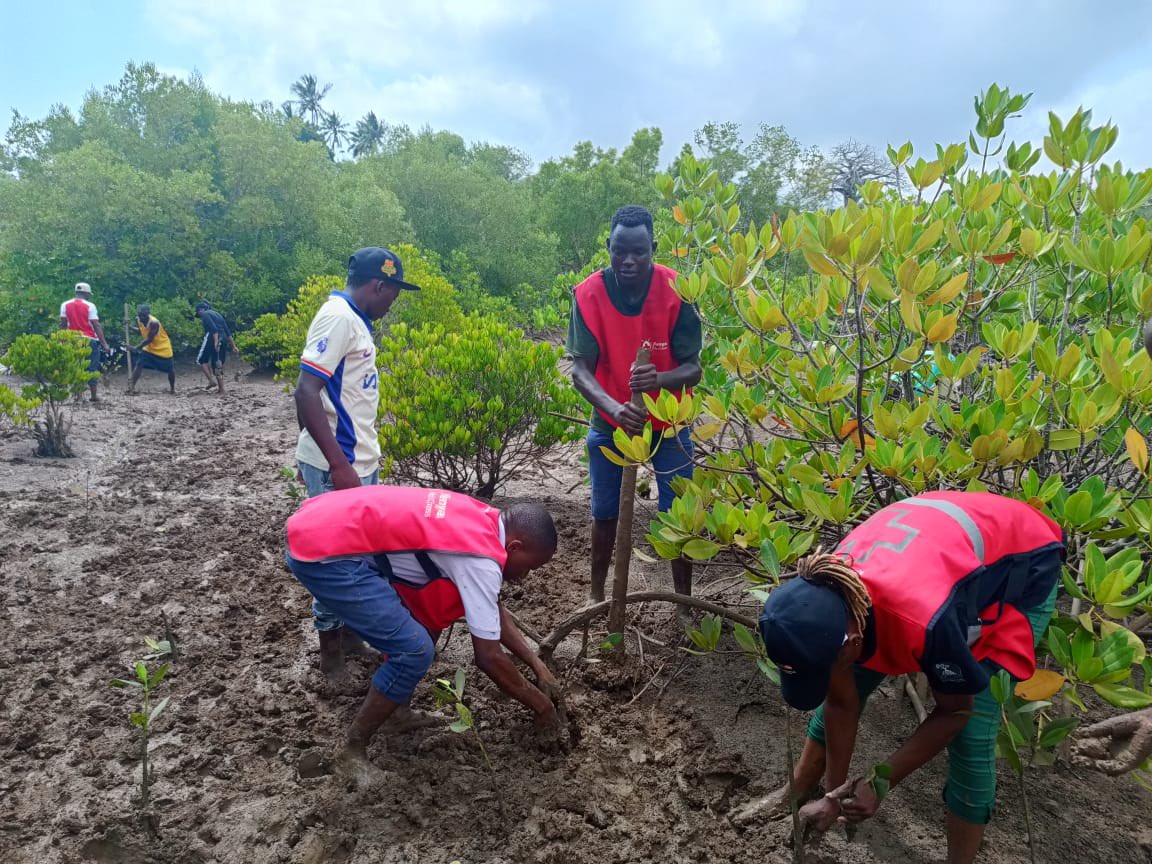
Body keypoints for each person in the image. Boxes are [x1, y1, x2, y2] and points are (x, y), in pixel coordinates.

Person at [741, 491, 1064, 864]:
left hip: (1022, 563)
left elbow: (956, 713)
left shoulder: (928, 623)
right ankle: (799, 786)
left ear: (853, 642)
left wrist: (881, 783)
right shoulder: (830, 591)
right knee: (850, 678)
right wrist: (834, 796)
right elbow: (840, 700)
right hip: (937, 546)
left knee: (975, 732)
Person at [285, 484, 562, 782]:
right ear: (515, 547)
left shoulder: (486, 519)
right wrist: (542, 707)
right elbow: (488, 656)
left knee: (427, 624)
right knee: (414, 651)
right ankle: (350, 752)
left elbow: (492, 609)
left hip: (324, 522)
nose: (525, 576)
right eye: (530, 567)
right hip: (325, 555)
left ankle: (397, 712)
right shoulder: (481, 561)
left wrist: (538, 667)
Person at [568, 205, 702, 609]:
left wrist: (658, 381)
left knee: (678, 514)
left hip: (669, 423)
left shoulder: (678, 290)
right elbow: (580, 372)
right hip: (612, 422)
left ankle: (684, 602)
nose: (629, 261)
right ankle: (596, 595)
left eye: (639, 252)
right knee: (604, 513)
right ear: (608, 247)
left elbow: (693, 369)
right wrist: (615, 407)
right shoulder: (588, 293)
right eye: (620, 251)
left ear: (653, 248)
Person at [294, 246, 420, 676]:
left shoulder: (355, 320)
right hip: (342, 467)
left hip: (356, 461)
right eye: (393, 293)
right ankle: (330, 653)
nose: (393, 302)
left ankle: (349, 636)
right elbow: (305, 391)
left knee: (360, 555)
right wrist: (336, 464)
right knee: (334, 559)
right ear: (377, 285)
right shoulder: (338, 317)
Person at [59, 282, 111, 402]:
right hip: (89, 340)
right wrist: (104, 343)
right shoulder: (90, 306)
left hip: (71, 339)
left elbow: (62, 324)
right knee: (91, 367)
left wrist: (61, 340)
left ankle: (77, 396)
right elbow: (96, 325)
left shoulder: (65, 305)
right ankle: (93, 396)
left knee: (74, 366)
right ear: (86, 293)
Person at [128, 304, 176, 394]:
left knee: (170, 368)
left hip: (163, 347)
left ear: (148, 314)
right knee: (139, 363)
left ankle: (172, 388)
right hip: (149, 348)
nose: (141, 317)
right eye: (140, 314)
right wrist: (130, 328)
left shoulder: (154, 322)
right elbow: (140, 331)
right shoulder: (138, 319)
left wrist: (136, 347)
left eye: (143, 315)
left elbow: (150, 339)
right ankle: (131, 387)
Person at [194, 302, 238, 393]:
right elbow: (228, 332)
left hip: (212, 338)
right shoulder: (218, 315)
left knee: (201, 360)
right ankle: (221, 389)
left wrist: (215, 342)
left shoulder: (205, 314)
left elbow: (214, 329)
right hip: (224, 338)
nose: (200, 316)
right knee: (218, 363)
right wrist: (233, 346)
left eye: (198, 313)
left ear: (201, 310)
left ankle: (211, 381)